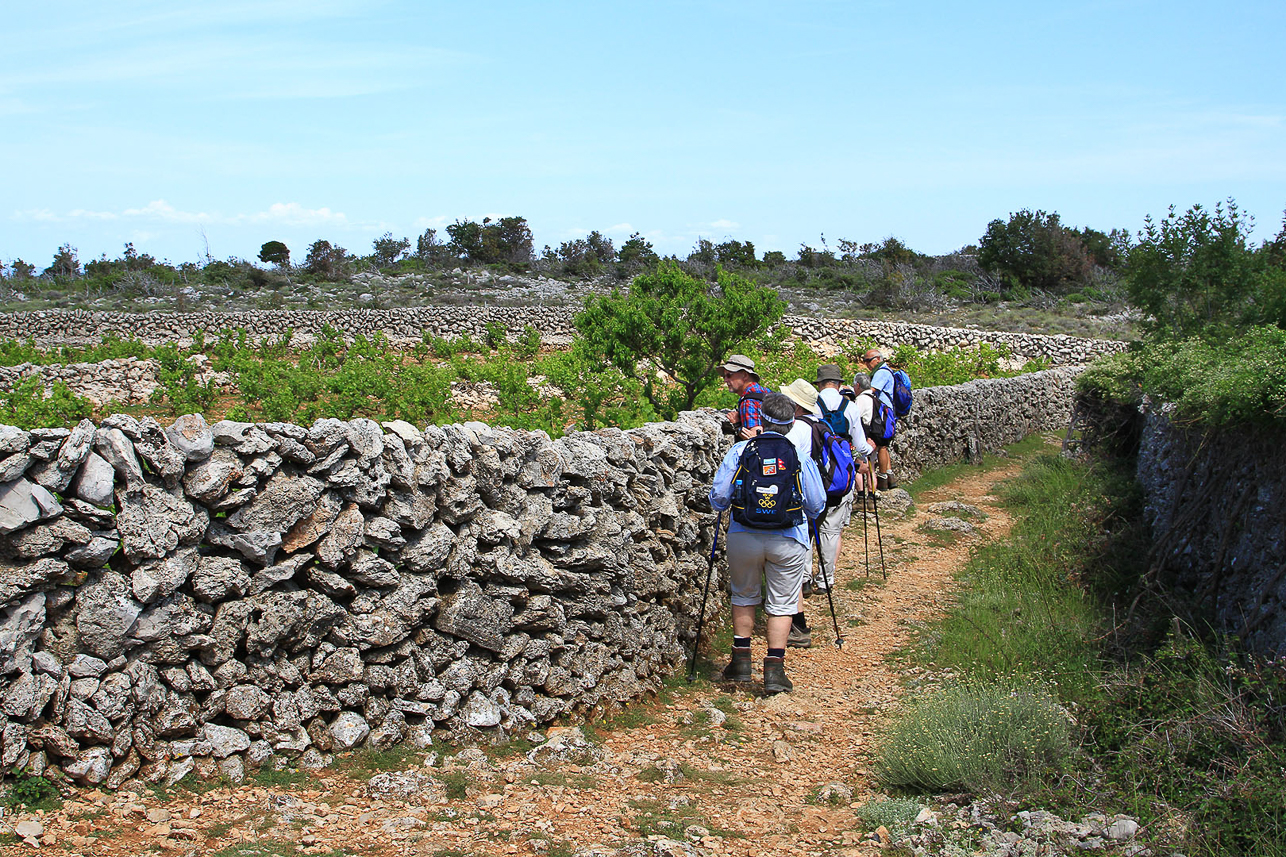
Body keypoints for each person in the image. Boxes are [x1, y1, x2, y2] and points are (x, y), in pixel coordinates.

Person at [709, 391, 825, 694]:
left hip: (744, 535)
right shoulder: (800, 456)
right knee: (783, 603)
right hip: (788, 537)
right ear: (792, 422)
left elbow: (719, 498)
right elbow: (816, 505)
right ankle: (774, 670)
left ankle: (741, 662)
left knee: (744, 595)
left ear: (761, 418)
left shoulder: (740, 451)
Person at [814, 364, 874, 587]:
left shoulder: (812, 406)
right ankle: (825, 579)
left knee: (808, 528)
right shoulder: (850, 407)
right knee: (830, 530)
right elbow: (859, 445)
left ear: (819, 384)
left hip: (815, 471)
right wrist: (865, 453)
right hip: (840, 473)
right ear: (839, 384)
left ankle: (802, 580)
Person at [859, 349, 898, 489]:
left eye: (868, 360)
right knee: (884, 446)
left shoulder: (881, 372)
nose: (866, 364)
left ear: (877, 359)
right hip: (887, 413)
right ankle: (889, 476)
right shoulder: (886, 371)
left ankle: (882, 479)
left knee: (881, 445)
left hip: (882, 414)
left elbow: (872, 390)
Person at [720, 354, 772, 441]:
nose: (725, 380)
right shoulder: (767, 392)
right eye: (724, 376)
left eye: (729, 375)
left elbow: (755, 438)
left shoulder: (748, 402)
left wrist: (737, 425)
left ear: (744, 375)